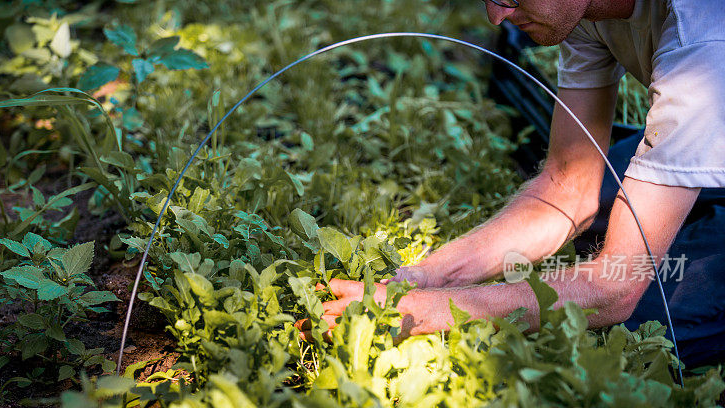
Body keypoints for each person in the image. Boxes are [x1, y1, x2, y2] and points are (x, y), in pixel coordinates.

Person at [299, 0, 725, 366]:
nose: (496, 15)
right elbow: (566, 189)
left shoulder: (704, 47)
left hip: (710, 102)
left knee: (635, 324)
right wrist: (425, 278)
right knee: (604, 220)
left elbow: (615, 288)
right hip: (711, 127)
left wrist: (433, 313)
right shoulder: (580, 10)